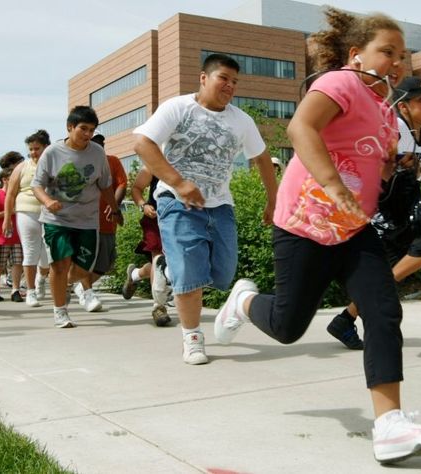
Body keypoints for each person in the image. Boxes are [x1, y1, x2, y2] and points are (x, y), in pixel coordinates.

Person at [212, 8, 421, 464]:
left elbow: (369, 164)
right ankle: (243, 301)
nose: (395, 62)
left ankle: (390, 427)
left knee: (383, 311)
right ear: (355, 54)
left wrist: (388, 168)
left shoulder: (386, 111)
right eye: (386, 51)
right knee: (288, 326)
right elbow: (300, 128)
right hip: (304, 224)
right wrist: (333, 183)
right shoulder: (339, 83)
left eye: (401, 55)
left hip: (353, 229)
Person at [133, 53, 278, 364]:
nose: (230, 86)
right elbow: (143, 144)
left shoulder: (241, 120)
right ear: (203, 78)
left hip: (220, 205)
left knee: (223, 275)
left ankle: (169, 269)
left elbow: (263, 159)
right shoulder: (178, 108)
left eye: (235, 81)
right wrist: (179, 182)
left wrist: (273, 199)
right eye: (223, 78)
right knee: (189, 276)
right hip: (177, 201)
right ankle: (193, 338)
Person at [327, 76, 421, 350]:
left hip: (407, 208)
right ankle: (351, 313)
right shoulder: (388, 128)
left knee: (385, 272)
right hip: (381, 209)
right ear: (404, 107)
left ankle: (344, 320)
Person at [32, 106, 122, 328]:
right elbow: (37, 185)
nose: (88, 134)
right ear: (70, 127)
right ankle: (60, 310)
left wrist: (115, 210)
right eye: (83, 129)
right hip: (57, 219)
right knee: (60, 264)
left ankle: (65, 286)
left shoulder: (97, 153)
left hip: (87, 220)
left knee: (82, 270)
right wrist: (47, 201)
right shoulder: (52, 152)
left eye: (92, 130)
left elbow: (106, 185)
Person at [73, 130, 127, 312]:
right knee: (85, 259)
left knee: (107, 262)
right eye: (95, 142)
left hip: (107, 222)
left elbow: (122, 184)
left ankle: (78, 285)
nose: (99, 145)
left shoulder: (112, 161)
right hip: (84, 222)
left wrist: (115, 206)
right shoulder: (79, 162)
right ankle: (87, 292)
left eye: (101, 143)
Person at [3, 132, 52, 307]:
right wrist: (7, 218)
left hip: (50, 213)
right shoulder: (21, 167)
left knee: (48, 254)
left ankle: (41, 277)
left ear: (46, 147)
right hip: (26, 211)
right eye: (30, 149)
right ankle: (30, 291)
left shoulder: (55, 164)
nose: (33, 152)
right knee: (30, 251)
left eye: (36, 148)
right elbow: (10, 194)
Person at [121, 166, 173, 326]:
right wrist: (143, 205)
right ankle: (159, 307)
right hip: (155, 218)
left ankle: (135, 274)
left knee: (167, 265)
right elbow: (136, 188)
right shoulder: (153, 162)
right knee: (159, 259)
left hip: (180, 219)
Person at [0, 168, 23, 301]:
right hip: (0, 236)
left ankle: (15, 290)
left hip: (17, 235)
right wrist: (7, 213)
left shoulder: (18, 195)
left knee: (17, 262)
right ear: (5, 179)